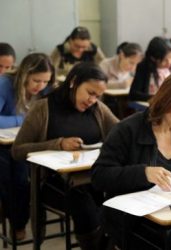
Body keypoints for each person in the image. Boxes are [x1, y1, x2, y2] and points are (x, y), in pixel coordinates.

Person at [92, 71, 171, 249]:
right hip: (135, 219)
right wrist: (143, 173)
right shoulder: (127, 130)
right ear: (166, 101)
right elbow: (99, 176)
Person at [11, 62, 119, 249]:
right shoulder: (43, 108)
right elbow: (18, 150)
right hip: (55, 183)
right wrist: (58, 144)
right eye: (90, 93)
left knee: (116, 207)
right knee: (87, 211)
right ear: (74, 82)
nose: (93, 100)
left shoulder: (98, 109)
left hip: (93, 178)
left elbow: (121, 132)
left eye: (98, 95)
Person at [0, 53, 54, 240]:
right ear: (24, 75)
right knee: (14, 178)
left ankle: (26, 221)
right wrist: (25, 119)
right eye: (36, 80)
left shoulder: (47, 90)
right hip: (4, 144)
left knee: (32, 178)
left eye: (45, 81)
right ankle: (17, 223)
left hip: (32, 141)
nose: (40, 86)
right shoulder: (5, 84)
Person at [128, 37, 171, 103]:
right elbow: (133, 94)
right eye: (164, 60)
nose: (169, 62)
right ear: (153, 58)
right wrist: (154, 98)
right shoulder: (144, 68)